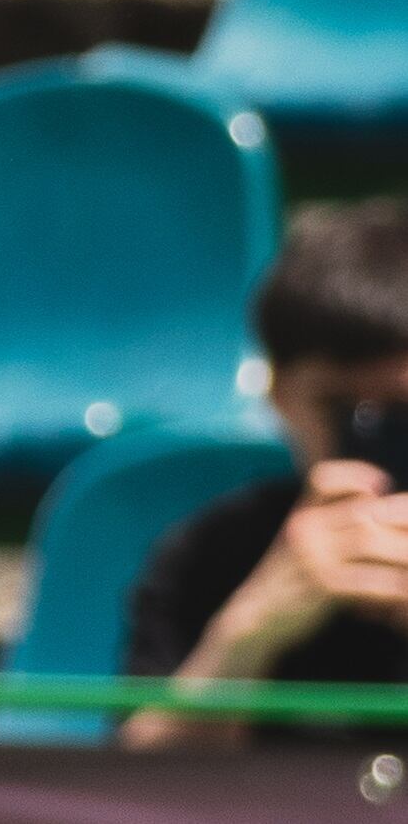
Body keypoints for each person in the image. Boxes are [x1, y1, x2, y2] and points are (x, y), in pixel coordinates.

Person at [125, 202, 408, 747]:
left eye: (402, 412)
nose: (375, 444)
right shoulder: (207, 554)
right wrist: (248, 633)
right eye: (342, 409)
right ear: (280, 396)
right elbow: (138, 792)